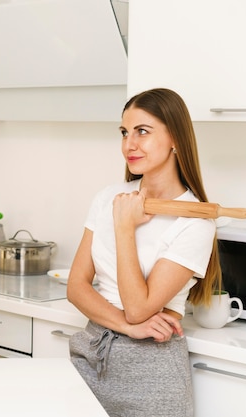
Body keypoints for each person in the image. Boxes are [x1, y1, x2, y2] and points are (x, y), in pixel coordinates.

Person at [67, 88, 221, 416]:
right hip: (92, 354)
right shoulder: (108, 197)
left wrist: (125, 227)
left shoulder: (196, 222)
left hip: (152, 372)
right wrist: (126, 327)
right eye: (124, 132)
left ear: (175, 138)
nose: (129, 144)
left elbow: (138, 308)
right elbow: (76, 286)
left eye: (142, 132)